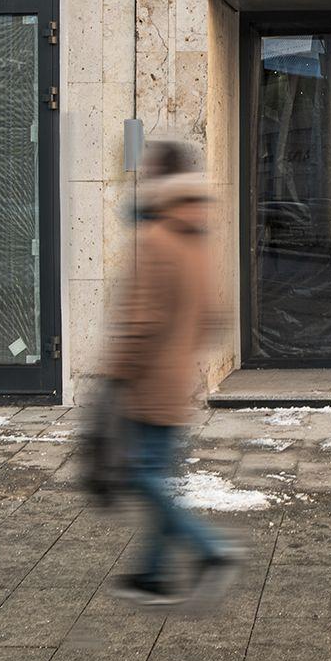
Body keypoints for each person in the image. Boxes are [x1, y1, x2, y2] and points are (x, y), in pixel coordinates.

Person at [103, 143, 238, 606]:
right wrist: (181, 353)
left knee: (142, 476)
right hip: (178, 378)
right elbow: (213, 316)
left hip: (148, 383)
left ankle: (209, 550)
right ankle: (155, 575)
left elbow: (139, 324)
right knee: (158, 473)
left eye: (146, 171)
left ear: (157, 178)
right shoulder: (196, 235)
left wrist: (117, 375)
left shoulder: (155, 237)